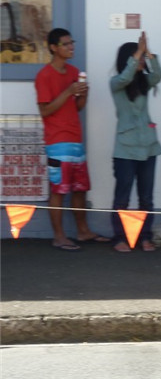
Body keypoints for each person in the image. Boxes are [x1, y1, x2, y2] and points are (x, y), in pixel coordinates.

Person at [35, 28, 110, 250]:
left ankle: (83, 231)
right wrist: (68, 92)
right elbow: (45, 111)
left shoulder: (74, 71)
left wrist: (83, 94)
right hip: (57, 141)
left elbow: (77, 108)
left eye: (72, 43)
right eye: (66, 44)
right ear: (53, 48)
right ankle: (59, 237)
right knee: (59, 190)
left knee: (79, 188)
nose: (71, 47)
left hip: (75, 139)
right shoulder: (44, 76)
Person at [109, 32, 161, 252]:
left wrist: (149, 54)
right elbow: (124, 78)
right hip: (125, 149)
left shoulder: (145, 82)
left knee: (146, 198)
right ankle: (119, 238)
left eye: (142, 58)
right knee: (122, 197)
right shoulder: (116, 83)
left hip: (148, 147)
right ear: (128, 60)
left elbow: (158, 75)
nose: (141, 61)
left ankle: (144, 237)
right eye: (138, 57)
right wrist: (138, 53)